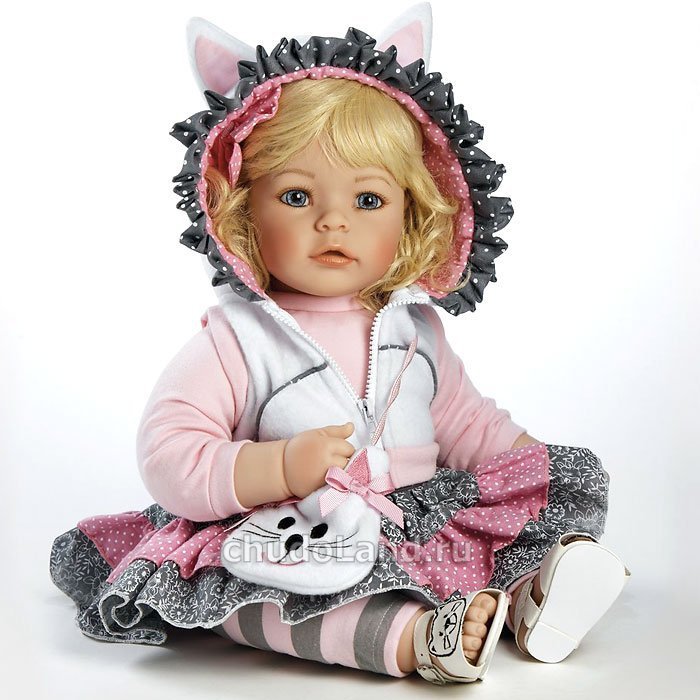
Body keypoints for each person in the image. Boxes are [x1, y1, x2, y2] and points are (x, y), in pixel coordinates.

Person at [49, 7, 630, 685]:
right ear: (241, 209)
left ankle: (537, 595)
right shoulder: (238, 339)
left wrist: (531, 469)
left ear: (412, 215)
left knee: (519, 511)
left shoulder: (414, 328)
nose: (333, 221)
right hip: (290, 531)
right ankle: (414, 639)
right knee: (259, 598)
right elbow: (170, 451)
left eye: (368, 200)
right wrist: (276, 467)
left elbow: (466, 423)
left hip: (412, 520)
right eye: (297, 196)